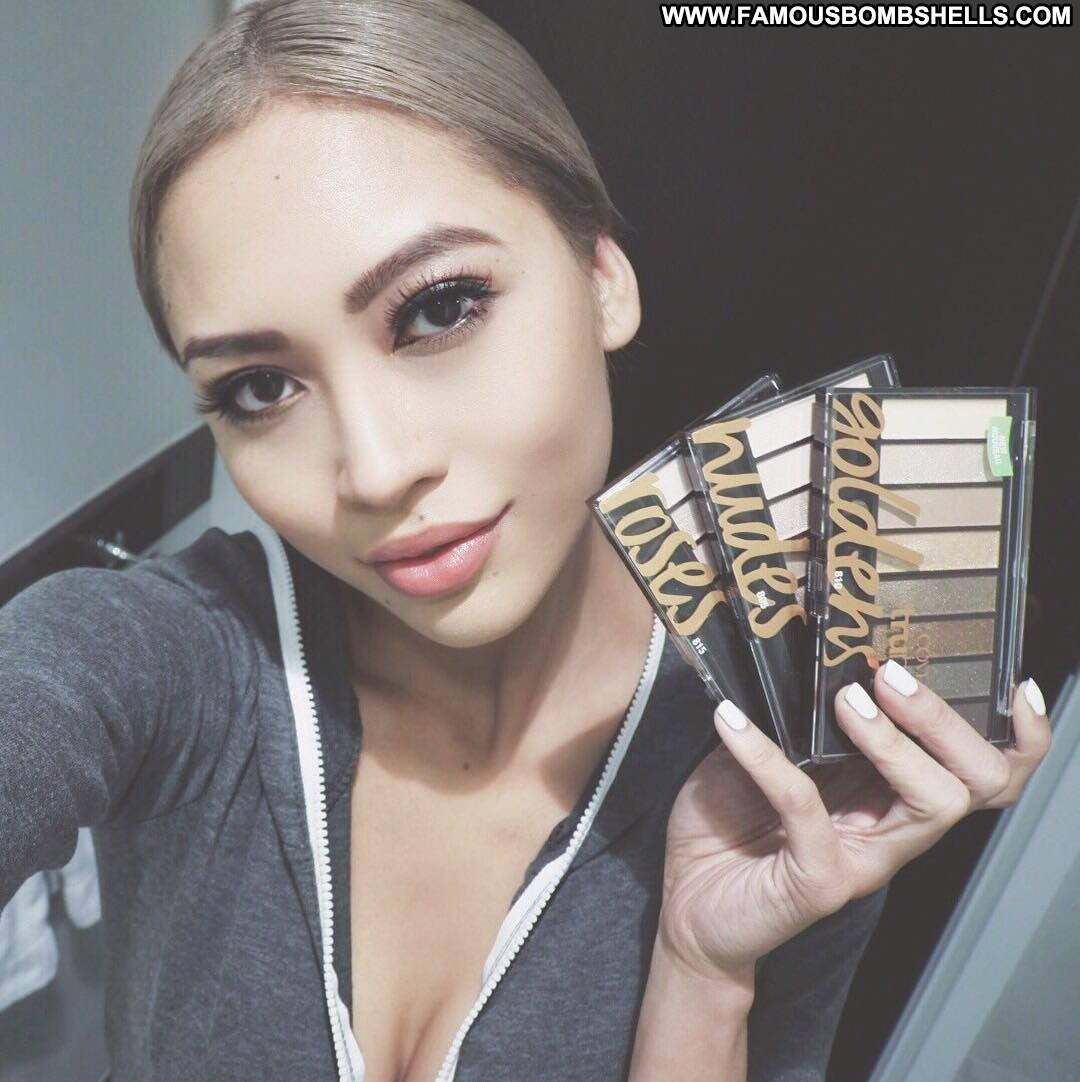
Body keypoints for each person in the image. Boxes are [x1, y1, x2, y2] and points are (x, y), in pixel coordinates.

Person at [0, 1, 1052, 1079]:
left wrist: (704, 971)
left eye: (439, 308)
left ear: (604, 279)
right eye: (260, 387)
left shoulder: (780, 761)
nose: (375, 469)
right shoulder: (167, 661)